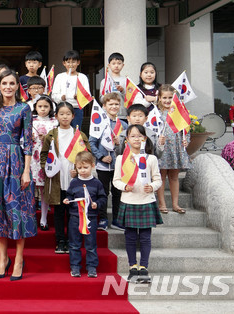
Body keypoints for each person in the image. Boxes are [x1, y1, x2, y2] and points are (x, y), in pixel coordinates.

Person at [0, 70, 36, 281]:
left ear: (17, 86)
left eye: (12, 83)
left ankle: (20, 259)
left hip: (16, 161)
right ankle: (3, 259)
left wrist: (26, 171)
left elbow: (29, 142)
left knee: (17, 211)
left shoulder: (24, 108)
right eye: (4, 83)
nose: (8, 87)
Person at [113, 124, 163, 283]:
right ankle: (132, 267)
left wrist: (153, 187)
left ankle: (144, 267)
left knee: (146, 237)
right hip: (128, 201)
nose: (136, 139)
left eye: (139, 136)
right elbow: (116, 181)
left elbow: (158, 179)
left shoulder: (151, 158)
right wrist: (124, 187)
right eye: (132, 136)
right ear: (126, 139)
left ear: (145, 138)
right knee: (130, 237)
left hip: (146, 201)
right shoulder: (121, 159)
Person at [41, 102, 91, 255]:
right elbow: (44, 155)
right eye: (61, 114)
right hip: (57, 177)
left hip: (73, 178)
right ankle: (60, 241)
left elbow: (87, 155)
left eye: (68, 114)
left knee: (72, 212)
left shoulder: (79, 135)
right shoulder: (51, 134)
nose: (65, 116)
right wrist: (47, 168)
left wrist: (79, 170)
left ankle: (72, 240)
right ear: (56, 116)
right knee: (58, 211)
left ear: (73, 116)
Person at [63, 151, 107, 278]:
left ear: (92, 166)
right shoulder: (74, 182)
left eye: (85, 167)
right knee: (74, 243)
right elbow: (70, 196)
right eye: (80, 168)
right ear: (76, 167)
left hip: (91, 218)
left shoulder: (97, 183)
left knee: (91, 244)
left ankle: (92, 267)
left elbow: (103, 198)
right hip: (75, 217)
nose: (82, 170)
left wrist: (97, 204)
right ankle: (75, 267)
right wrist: (67, 200)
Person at [89, 92, 126, 231]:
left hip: (118, 165)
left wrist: (118, 144)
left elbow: (126, 148)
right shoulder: (98, 123)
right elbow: (92, 143)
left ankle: (116, 219)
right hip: (103, 165)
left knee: (117, 192)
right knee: (103, 192)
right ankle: (103, 218)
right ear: (104, 106)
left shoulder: (123, 125)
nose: (114, 106)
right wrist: (101, 157)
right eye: (110, 104)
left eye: (116, 104)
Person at [156, 85, 190, 215]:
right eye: (164, 97)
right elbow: (153, 130)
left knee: (174, 176)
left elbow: (185, 130)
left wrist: (186, 140)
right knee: (161, 176)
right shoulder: (156, 114)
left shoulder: (179, 113)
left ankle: (175, 204)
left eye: (170, 97)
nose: (167, 100)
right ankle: (162, 203)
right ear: (159, 98)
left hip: (176, 147)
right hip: (163, 148)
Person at [30, 95, 58, 231]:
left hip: (47, 158)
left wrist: (46, 138)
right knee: (30, 187)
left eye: (46, 106)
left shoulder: (54, 122)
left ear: (51, 108)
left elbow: (57, 139)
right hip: (32, 158)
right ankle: (30, 217)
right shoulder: (30, 121)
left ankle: (44, 218)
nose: (43, 109)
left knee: (44, 189)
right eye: (40, 106)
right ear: (35, 107)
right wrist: (31, 137)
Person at [51, 50, 89, 130]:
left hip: (76, 109)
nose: (71, 64)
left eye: (73, 62)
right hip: (62, 108)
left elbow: (87, 96)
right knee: (62, 130)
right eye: (68, 62)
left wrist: (79, 97)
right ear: (64, 63)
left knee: (76, 131)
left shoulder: (82, 77)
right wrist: (61, 98)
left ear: (78, 62)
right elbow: (54, 95)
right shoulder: (60, 77)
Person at [99, 52, 127, 119]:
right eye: (113, 63)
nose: (116, 66)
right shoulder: (104, 81)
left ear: (123, 65)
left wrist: (122, 91)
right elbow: (101, 99)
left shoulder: (126, 81)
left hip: (122, 114)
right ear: (109, 65)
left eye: (119, 63)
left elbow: (130, 98)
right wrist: (107, 96)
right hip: (107, 114)